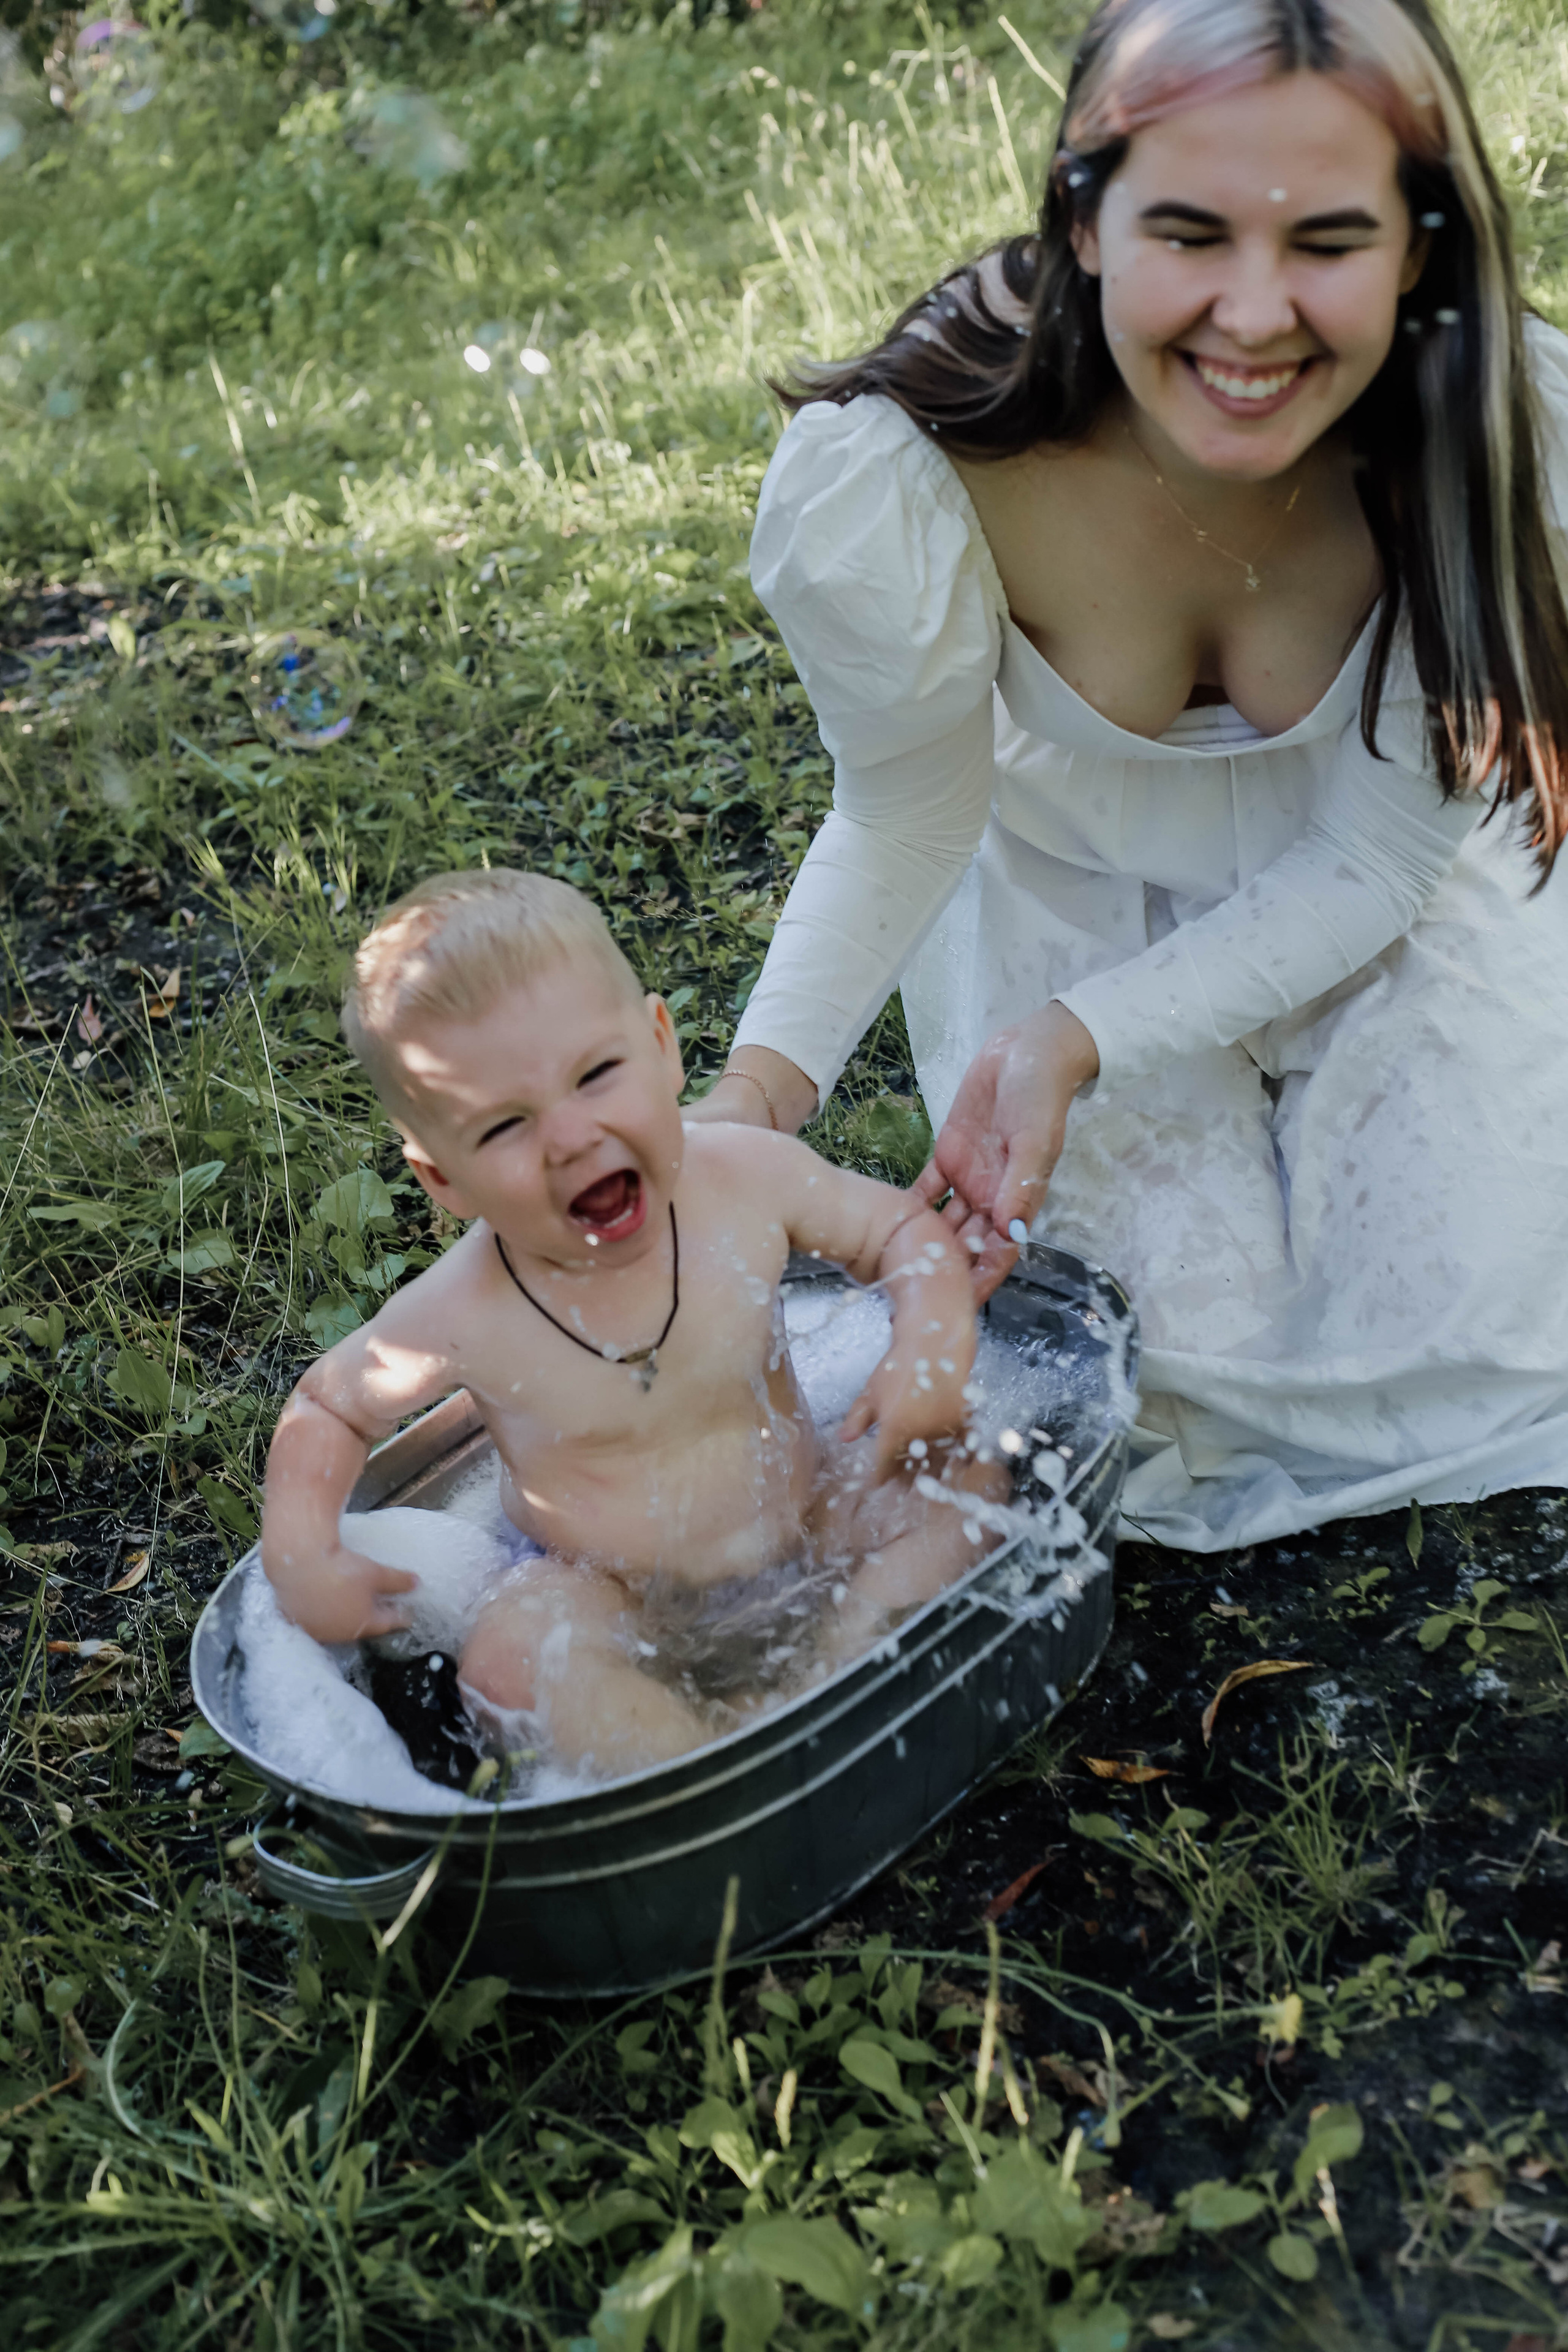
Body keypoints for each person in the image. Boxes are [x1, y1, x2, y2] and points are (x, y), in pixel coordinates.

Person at [691, 0, 1568, 1551]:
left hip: (1385, 901)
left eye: (1327, 241)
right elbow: (904, 808)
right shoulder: (913, 463)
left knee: (1460, 1329)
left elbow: (1373, 865)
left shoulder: (1494, 437)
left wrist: (1077, 1042)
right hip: (1070, 888)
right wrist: (751, 1107)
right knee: (1162, 1358)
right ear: (1084, 222)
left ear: (1419, 247)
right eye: (1188, 231)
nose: (1251, 315)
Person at [259, 870, 998, 1778]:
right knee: (511, 1659)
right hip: (609, 1592)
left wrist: (931, 1348)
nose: (570, 1138)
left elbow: (898, 1229)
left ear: (661, 1046)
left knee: (961, 1472)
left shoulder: (744, 1179)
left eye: (596, 1075)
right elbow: (330, 1408)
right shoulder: (460, 1310)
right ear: (443, 1180)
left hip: (809, 1515)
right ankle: (708, 1767)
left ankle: (836, 1664)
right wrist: (301, 1552)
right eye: (504, 1128)